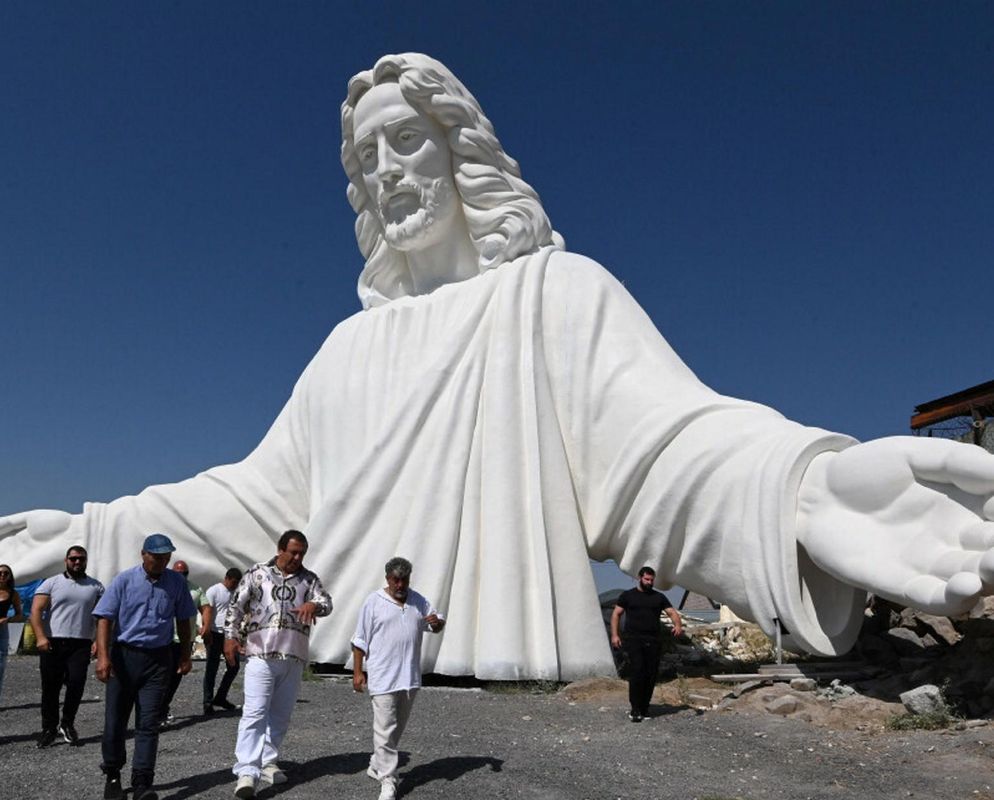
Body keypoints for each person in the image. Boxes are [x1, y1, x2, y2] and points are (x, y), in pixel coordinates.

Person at [4, 53, 994, 682]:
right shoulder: (347, 348)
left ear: (456, 153)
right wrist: (94, 525)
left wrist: (801, 487)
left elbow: (660, 449)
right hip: (352, 673)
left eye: (407, 142)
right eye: (366, 158)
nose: (387, 169)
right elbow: (257, 501)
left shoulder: (554, 292)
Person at [92, 534, 196, 800]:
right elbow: (105, 619)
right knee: (115, 720)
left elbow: (183, 620)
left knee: (149, 723)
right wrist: (103, 657)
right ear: (143, 554)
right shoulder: (124, 580)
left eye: (166, 557)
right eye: (157, 556)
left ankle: (142, 784)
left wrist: (185, 655)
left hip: (158, 659)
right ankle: (113, 773)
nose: (162, 562)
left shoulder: (176, 583)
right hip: (124, 657)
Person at [224, 530, 331, 800]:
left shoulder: (309, 579)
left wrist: (312, 605)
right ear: (280, 549)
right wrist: (230, 638)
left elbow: (327, 603)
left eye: (302, 553)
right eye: (293, 552)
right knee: (255, 712)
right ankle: (247, 770)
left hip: (293, 657)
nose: (297, 557)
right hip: (261, 654)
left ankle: (268, 761)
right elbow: (235, 607)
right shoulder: (257, 573)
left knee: (280, 715)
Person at [352, 557, 445, 800]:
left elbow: (435, 622)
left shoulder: (418, 601)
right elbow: (359, 640)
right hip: (383, 677)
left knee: (396, 729)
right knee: (384, 729)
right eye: (396, 579)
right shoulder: (374, 602)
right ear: (387, 579)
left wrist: (437, 623)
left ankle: (376, 765)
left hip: (410, 678)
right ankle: (388, 781)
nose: (400, 584)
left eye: (404, 579)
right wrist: (358, 672)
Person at [29, 545, 104, 746]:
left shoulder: (96, 587)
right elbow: (36, 611)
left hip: (80, 643)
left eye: (81, 559)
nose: (77, 562)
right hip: (53, 641)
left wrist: (99, 641)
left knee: (77, 683)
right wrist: (41, 637)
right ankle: (48, 728)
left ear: (86, 561)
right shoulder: (51, 583)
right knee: (50, 688)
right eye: (73, 559)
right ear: (66, 560)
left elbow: (102, 618)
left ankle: (67, 723)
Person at [610, 566, 682, 722]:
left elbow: (672, 612)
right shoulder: (628, 596)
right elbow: (616, 614)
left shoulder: (659, 597)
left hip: (653, 641)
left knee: (650, 674)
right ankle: (635, 709)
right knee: (637, 673)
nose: (649, 582)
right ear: (640, 578)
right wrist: (615, 635)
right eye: (647, 579)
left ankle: (644, 707)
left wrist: (677, 625)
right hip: (634, 640)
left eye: (651, 580)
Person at [159, 559, 207, 726]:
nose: (182, 576)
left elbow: (206, 606)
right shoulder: (164, 585)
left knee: (177, 674)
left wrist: (206, 624)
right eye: (178, 573)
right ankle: (158, 709)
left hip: (185, 639)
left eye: (184, 573)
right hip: (166, 637)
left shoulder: (195, 589)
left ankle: (162, 707)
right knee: (164, 674)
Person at [201, 567, 242, 715]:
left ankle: (220, 697)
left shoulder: (235, 594)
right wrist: (206, 629)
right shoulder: (214, 591)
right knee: (212, 667)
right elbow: (207, 610)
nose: (235, 585)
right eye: (234, 582)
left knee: (234, 666)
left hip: (228, 635)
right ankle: (207, 702)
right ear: (227, 578)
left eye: (237, 583)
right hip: (215, 632)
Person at [0, 563, 25, 702]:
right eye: (0, 573)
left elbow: (20, 615)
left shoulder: (12, 593)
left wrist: (7, 619)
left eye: (6, 573)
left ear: (10, 576)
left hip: (2, 631)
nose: (2, 575)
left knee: (0, 666)